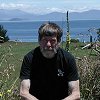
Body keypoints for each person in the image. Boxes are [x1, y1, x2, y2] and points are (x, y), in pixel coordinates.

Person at [19, 22, 80, 100]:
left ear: (59, 42)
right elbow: (23, 92)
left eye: (52, 41)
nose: (48, 44)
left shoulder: (68, 59)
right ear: (39, 41)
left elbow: (76, 94)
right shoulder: (29, 58)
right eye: (45, 40)